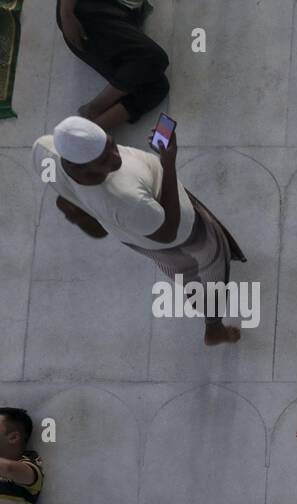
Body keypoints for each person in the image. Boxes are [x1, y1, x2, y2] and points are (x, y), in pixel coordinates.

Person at [32, 116, 247, 347]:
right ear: (76, 166)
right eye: (103, 159)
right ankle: (213, 329)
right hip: (184, 242)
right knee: (207, 281)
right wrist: (168, 163)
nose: (116, 158)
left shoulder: (44, 149)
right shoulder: (124, 198)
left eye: (112, 145)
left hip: (145, 221)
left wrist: (72, 200)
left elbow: (52, 180)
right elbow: (168, 233)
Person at [55, 0, 169, 133]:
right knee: (155, 57)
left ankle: (90, 134)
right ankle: (94, 109)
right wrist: (67, 13)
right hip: (88, 13)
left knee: (157, 85)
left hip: (119, 21)